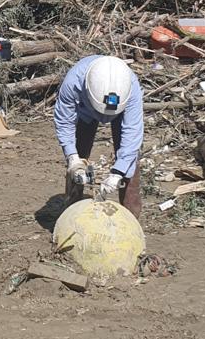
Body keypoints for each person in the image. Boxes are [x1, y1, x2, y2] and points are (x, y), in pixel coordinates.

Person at [54, 55, 143, 218]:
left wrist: (118, 172)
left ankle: (131, 218)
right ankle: (71, 214)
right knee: (78, 157)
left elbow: (132, 132)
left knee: (130, 163)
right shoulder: (72, 83)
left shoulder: (131, 86)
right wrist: (72, 157)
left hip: (120, 114)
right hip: (85, 112)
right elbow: (64, 122)